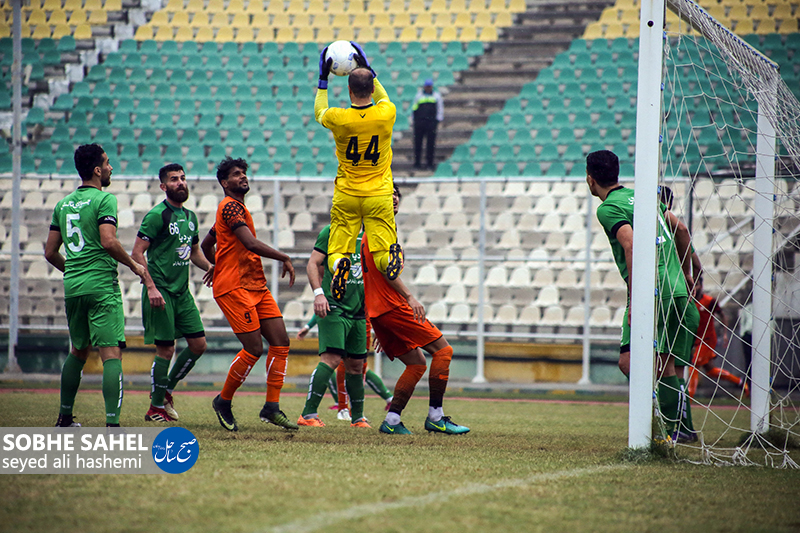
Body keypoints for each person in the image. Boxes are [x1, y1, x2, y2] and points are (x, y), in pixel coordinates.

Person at [587, 150, 695, 441]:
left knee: (630, 362)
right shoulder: (645, 197)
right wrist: (689, 272)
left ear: (590, 179)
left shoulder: (608, 208)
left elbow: (631, 245)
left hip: (654, 288)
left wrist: (636, 299)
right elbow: (682, 229)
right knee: (667, 364)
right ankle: (681, 428)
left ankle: (666, 425)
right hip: (677, 287)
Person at [45, 143, 146, 427]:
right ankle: (112, 426)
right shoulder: (104, 199)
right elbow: (108, 241)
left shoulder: (62, 205)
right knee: (111, 354)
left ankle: (64, 419)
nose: (111, 168)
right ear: (98, 170)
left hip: (73, 287)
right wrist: (134, 265)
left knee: (78, 351)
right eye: (108, 163)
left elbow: (50, 252)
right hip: (101, 286)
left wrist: (74, 270)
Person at [200, 157, 297, 432]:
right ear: (224, 182)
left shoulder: (236, 210)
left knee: (281, 342)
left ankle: (271, 407)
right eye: (236, 174)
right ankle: (223, 401)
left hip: (255, 285)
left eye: (244, 172)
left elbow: (207, 244)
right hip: (235, 288)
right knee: (254, 348)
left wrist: (217, 264)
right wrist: (284, 256)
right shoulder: (230, 206)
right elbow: (250, 243)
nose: (243, 176)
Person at [362, 187, 469, 435]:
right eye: (388, 193)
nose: (394, 197)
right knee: (443, 351)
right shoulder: (380, 229)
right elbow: (386, 271)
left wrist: (379, 320)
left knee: (416, 363)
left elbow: (372, 277)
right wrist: (409, 297)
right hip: (392, 307)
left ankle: (392, 421)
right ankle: (436, 417)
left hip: (381, 311)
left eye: (397, 194)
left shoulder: (375, 229)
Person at [314, 41, 403, 302]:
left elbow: (319, 112)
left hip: (348, 194)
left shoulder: (339, 118)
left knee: (337, 250)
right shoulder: (386, 114)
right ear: (371, 88)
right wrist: (369, 70)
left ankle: (340, 265)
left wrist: (323, 80)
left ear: (349, 90)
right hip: (379, 193)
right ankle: (390, 258)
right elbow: (383, 98)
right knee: (381, 251)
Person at [131, 163, 214, 422]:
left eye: (183, 178)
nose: (180, 183)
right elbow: (137, 253)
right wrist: (151, 286)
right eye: (174, 179)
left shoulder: (190, 217)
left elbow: (194, 252)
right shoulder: (157, 215)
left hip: (182, 292)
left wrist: (210, 267)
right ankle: (155, 408)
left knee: (199, 345)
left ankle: (165, 390)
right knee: (166, 350)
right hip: (161, 291)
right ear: (163, 186)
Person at [296, 219, 371, 428]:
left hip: (359, 310)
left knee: (356, 365)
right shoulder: (331, 231)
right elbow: (313, 263)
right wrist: (319, 294)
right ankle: (308, 414)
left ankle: (358, 418)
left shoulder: (371, 234)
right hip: (333, 305)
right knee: (332, 358)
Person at [297, 316, 394, 418]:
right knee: (335, 362)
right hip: (342, 319)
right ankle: (342, 407)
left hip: (361, 322)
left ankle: (353, 411)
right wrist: (308, 326)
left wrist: (381, 329)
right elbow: (323, 308)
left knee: (358, 365)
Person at [687, 276, 748, 398]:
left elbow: (723, 316)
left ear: (701, 286)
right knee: (710, 371)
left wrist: (725, 334)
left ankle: (689, 399)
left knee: (693, 365)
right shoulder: (690, 302)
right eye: (693, 285)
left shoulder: (710, 301)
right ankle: (740, 382)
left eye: (697, 285)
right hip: (697, 340)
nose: (695, 288)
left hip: (708, 340)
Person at [411, 78, 444, 170]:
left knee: (431, 144)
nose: (428, 88)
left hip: (431, 123)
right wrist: (414, 119)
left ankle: (430, 163)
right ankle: (417, 163)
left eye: (429, 86)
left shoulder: (436, 96)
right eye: (427, 86)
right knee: (418, 143)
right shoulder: (419, 96)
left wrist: (438, 120)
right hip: (420, 122)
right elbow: (414, 107)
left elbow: (440, 108)